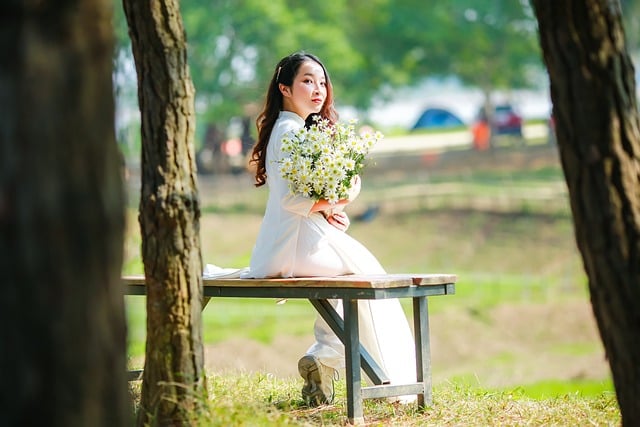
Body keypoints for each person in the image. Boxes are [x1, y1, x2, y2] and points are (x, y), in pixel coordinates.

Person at [242, 51, 417, 406]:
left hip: (292, 239)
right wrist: (335, 203)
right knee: (362, 269)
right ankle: (369, 376)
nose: (318, 89)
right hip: (294, 244)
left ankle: (325, 357)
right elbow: (293, 201)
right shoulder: (291, 130)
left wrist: (330, 211)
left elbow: (303, 197)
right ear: (284, 88)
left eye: (322, 81)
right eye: (307, 80)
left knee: (349, 278)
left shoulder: (294, 128)